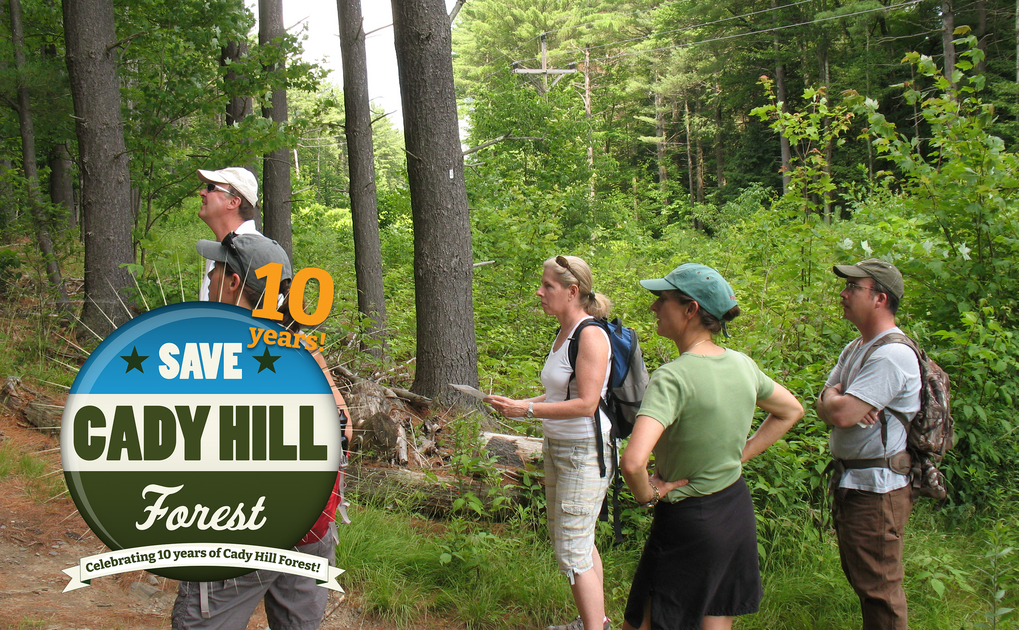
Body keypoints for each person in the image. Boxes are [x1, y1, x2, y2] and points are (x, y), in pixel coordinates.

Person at [172, 232, 352, 630]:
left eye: (216, 269)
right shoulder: (299, 345)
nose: (210, 278)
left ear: (234, 282)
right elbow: (345, 429)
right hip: (312, 527)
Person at [619, 263, 803, 630]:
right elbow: (791, 410)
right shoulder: (742, 365)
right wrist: (740, 455)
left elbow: (633, 463)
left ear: (691, 311)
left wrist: (649, 494)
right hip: (733, 511)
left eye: (663, 299)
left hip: (687, 522)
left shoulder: (672, 377)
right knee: (715, 617)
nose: (654, 307)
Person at [486, 255, 613, 630]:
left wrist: (527, 414)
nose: (539, 292)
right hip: (558, 449)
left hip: (584, 454)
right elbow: (557, 394)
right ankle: (595, 621)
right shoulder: (563, 333)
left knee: (572, 551)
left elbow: (587, 403)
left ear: (573, 292)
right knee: (579, 542)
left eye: (548, 287)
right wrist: (522, 403)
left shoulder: (590, 334)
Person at [816, 259, 920, 630]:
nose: (843, 295)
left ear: (880, 298)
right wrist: (836, 398)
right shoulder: (857, 346)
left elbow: (840, 414)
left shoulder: (892, 354)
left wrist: (839, 400)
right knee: (867, 583)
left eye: (852, 288)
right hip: (855, 486)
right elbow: (826, 404)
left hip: (878, 491)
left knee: (880, 592)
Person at [196, 167, 261, 301]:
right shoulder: (220, 248)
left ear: (233, 202)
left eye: (210, 188)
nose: (202, 192)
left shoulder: (258, 253)